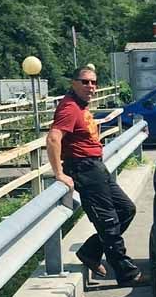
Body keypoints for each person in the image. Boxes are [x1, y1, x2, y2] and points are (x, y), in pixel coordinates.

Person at [46, 65, 141, 285]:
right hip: (83, 169)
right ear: (74, 83)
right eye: (85, 81)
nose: (90, 86)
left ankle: (90, 251)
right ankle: (127, 274)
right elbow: (53, 138)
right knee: (108, 220)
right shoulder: (69, 108)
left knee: (126, 209)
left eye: (93, 82)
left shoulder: (81, 105)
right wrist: (59, 173)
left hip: (96, 166)